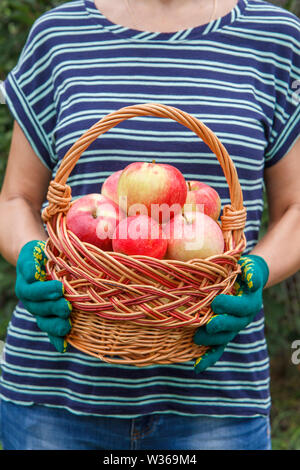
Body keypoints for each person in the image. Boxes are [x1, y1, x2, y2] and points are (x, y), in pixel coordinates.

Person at [0, 0, 299, 451]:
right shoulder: (59, 34)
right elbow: (14, 198)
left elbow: (296, 207)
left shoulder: (276, 36)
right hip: (57, 393)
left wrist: (254, 271)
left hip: (216, 398)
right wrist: (32, 256)